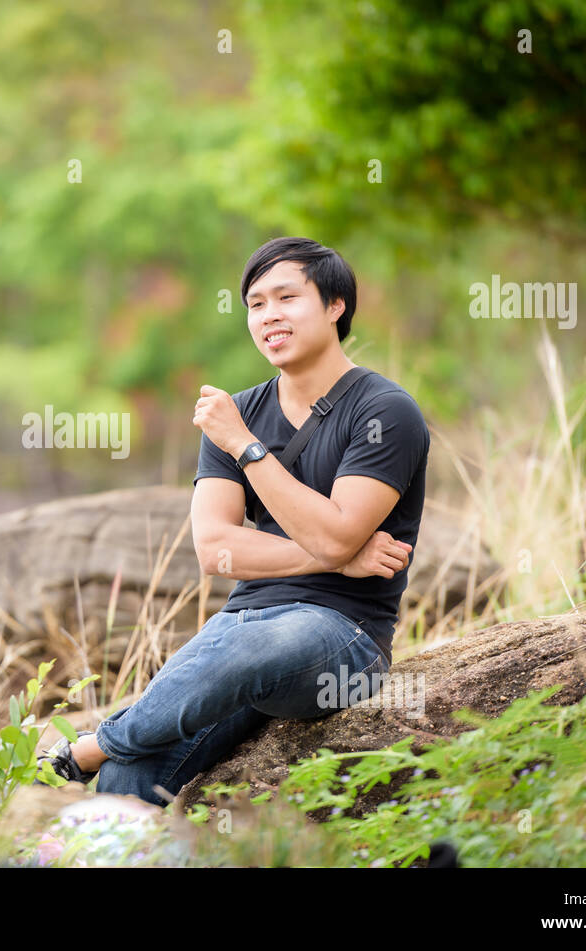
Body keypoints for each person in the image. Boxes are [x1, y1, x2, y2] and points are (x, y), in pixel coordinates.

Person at [40, 237, 430, 806]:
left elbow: (336, 530)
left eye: (286, 298)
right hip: (243, 625)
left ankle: (90, 745)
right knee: (134, 770)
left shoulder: (382, 411)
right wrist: (340, 553)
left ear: (334, 306)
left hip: (342, 636)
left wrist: (247, 447)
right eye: (255, 303)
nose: (269, 315)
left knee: (247, 653)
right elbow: (216, 550)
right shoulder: (236, 410)